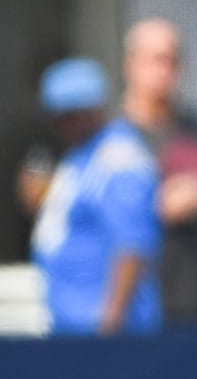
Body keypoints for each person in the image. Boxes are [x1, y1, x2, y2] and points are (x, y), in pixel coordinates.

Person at [29, 59, 160, 335]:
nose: (66, 123)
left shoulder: (118, 158)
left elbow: (131, 247)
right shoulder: (83, 155)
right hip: (73, 326)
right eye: (61, 116)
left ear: (94, 110)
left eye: (74, 113)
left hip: (106, 332)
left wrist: (109, 325)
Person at [119, 18, 197, 321]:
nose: (164, 69)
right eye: (155, 59)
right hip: (137, 306)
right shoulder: (113, 138)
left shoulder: (196, 128)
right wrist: (157, 205)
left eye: (173, 60)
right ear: (131, 64)